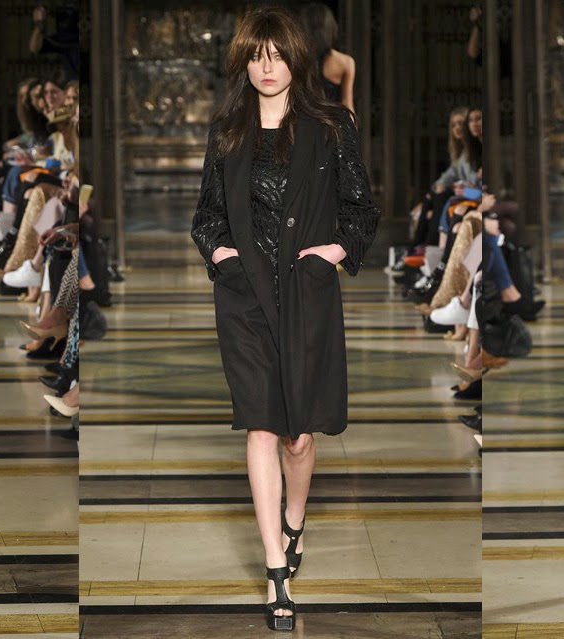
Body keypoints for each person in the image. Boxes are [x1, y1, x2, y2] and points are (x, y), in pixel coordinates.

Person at [189, 7, 379, 632]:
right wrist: (222, 255)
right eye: (256, 56)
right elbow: (206, 214)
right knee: (262, 426)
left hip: (306, 294)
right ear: (243, 62)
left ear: (296, 58)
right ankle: (276, 570)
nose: (266, 67)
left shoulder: (330, 126)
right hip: (244, 298)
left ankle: (295, 519)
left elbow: (361, 208)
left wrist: (334, 252)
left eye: (276, 55)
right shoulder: (228, 130)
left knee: (300, 436)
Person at [300, 3, 356, 113]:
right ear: (331, 28)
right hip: (332, 120)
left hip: (303, 118)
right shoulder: (345, 62)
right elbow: (347, 104)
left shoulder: (297, 59)